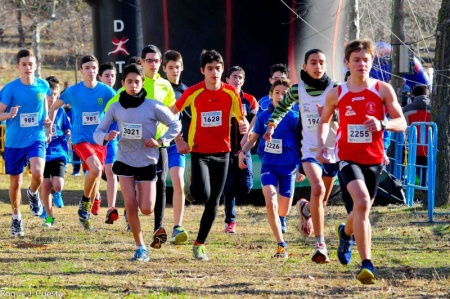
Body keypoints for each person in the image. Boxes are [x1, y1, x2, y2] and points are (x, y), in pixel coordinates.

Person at [317, 39, 406, 284]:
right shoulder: (338, 93)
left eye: (366, 59)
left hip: (375, 160)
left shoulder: (383, 89)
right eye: (356, 60)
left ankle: (345, 234)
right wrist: (323, 144)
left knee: (360, 209)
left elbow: (402, 122)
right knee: (363, 201)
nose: (361, 64)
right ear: (347, 63)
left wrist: (383, 123)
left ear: (372, 62)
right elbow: (324, 120)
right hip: (347, 159)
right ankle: (367, 264)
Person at [94, 63, 181, 262]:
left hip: (148, 162)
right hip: (125, 160)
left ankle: (146, 232)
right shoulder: (115, 107)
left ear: (143, 84)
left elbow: (175, 124)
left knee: (147, 208)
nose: (133, 85)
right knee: (131, 205)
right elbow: (98, 132)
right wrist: (107, 136)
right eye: (129, 82)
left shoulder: (153, 105)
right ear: (123, 83)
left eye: (137, 82)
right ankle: (140, 247)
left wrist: (160, 141)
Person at [171, 49, 248, 261]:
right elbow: (171, 113)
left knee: (214, 201)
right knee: (202, 195)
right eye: (210, 69)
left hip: (223, 153)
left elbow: (241, 118)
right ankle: (193, 182)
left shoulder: (231, 92)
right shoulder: (193, 92)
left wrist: (244, 125)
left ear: (223, 70)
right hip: (199, 152)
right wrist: (178, 138)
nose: (214, 72)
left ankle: (200, 244)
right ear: (202, 71)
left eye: (218, 68)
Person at [263, 49, 339, 264]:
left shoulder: (335, 89)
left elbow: (345, 116)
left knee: (321, 202)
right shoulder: (298, 90)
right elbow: (281, 108)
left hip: (332, 150)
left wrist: (331, 112)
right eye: (313, 62)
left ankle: (305, 209)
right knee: (318, 188)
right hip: (310, 150)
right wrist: (271, 125)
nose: (317, 66)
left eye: (321, 62)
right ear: (304, 67)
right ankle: (320, 245)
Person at [48, 54, 116, 232]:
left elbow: (119, 109)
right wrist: (48, 125)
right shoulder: (73, 91)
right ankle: (84, 204)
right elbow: (55, 107)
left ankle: (91, 203)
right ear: (81, 71)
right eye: (87, 68)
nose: (91, 71)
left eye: (94, 68)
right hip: (80, 139)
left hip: (100, 140)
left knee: (95, 174)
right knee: (95, 169)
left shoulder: (107, 91)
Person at [239, 79, 300, 258]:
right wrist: (243, 152)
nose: (280, 96)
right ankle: (281, 244)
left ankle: (289, 214)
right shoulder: (264, 116)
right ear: (270, 95)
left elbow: (302, 142)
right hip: (269, 166)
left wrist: (301, 166)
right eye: (277, 93)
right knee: (270, 199)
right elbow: (253, 139)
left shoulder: (293, 118)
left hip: (288, 168)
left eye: (284, 93)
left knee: (283, 210)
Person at [0, 49, 50, 237]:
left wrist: (47, 123)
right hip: (14, 142)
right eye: (24, 64)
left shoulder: (43, 85)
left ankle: (33, 193)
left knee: (38, 173)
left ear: (36, 66)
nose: (28, 67)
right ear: (17, 67)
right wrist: (8, 115)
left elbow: (44, 107)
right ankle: (16, 217)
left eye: (31, 64)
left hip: (36, 138)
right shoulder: (10, 89)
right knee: (15, 183)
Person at [222, 66, 257, 233]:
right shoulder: (220, 97)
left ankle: (232, 189)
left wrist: (248, 132)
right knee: (228, 186)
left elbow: (259, 119)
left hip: (244, 148)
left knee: (246, 186)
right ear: (227, 79)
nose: (237, 80)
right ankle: (230, 220)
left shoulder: (249, 100)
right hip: (225, 148)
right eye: (234, 77)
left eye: (240, 77)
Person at [162, 49, 189, 244]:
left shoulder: (186, 91)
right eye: (170, 67)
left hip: (175, 144)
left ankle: (177, 227)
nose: (174, 71)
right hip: (155, 145)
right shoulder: (157, 88)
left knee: (178, 181)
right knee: (155, 185)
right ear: (164, 69)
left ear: (182, 68)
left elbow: (189, 118)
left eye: (177, 67)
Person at [39, 76, 71, 227]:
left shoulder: (61, 112)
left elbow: (66, 128)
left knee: (57, 184)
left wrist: (69, 133)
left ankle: (57, 193)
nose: (52, 97)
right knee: (45, 186)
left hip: (58, 153)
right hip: (42, 154)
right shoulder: (39, 111)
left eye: (55, 94)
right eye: (49, 94)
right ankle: (49, 218)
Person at [98, 62, 120, 224]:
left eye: (112, 76)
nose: (110, 79)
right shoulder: (94, 94)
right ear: (100, 77)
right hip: (94, 139)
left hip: (112, 139)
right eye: (107, 75)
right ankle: (95, 197)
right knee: (95, 171)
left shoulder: (118, 95)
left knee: (110, 171)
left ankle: (111, 207)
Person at [402, 84, 431, 184]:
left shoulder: (406, 109)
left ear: (413, 95)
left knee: (416, 167)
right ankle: (426, 188)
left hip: (413, 146)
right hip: (431, 146)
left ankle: (418, 187)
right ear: (427, 94)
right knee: (430, 169)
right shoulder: (435, 109)